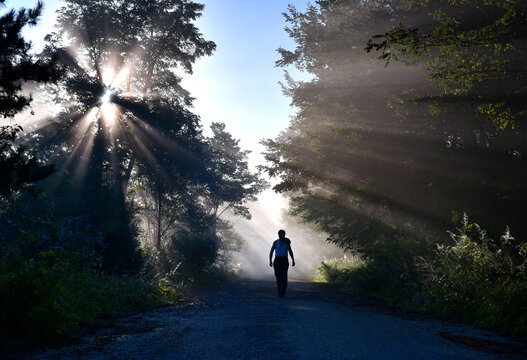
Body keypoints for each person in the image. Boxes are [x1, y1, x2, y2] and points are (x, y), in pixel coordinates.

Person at [269, 229, 295, 297]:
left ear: (284, 235)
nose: (281, 236)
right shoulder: (275, 242)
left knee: (284, 276)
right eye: (280, 235)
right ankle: (279, 289)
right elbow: (271, 251)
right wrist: (270, 261)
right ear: (278, 235)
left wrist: (293, 260)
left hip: (284, 260)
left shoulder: (287, 242)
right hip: (277, 260)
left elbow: (290, 251)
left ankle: (282, 291)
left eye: (283, 235)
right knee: (277, 275)